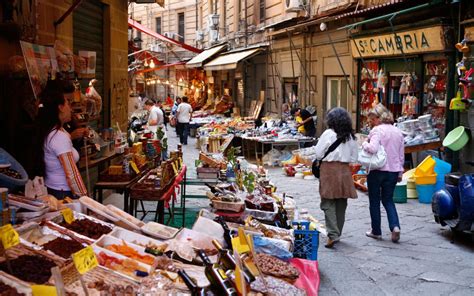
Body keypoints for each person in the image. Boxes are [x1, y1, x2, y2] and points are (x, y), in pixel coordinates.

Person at [310, 107, 358, 248]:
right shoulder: (350, 136)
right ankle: (337, 232)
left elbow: (318, 153)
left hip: (329, 170)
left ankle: (332, 234)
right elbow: (355, 157)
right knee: (341, 202)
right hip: (344, 170)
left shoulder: (328, 133)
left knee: (327, 202)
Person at [34, 80, 88, 200]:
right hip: (62, 193)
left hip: (53, 189)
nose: (71, 108)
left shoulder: (54, 131)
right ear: (60, 108)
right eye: (68, 103)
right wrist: (85, 199)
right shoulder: (58, 136)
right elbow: (72, 174)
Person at [362, 104, 404, 243]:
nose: (371, 123)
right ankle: (395, 226)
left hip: (377, 170)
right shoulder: (398, 131)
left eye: (372, 119)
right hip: (393, 171)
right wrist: (400, 172)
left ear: (379, 118)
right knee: (388, 200)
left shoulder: (377, 131)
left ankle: (376, 231)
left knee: (374, 200)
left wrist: (364, 144)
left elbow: (373, 148)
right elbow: (401, 154)